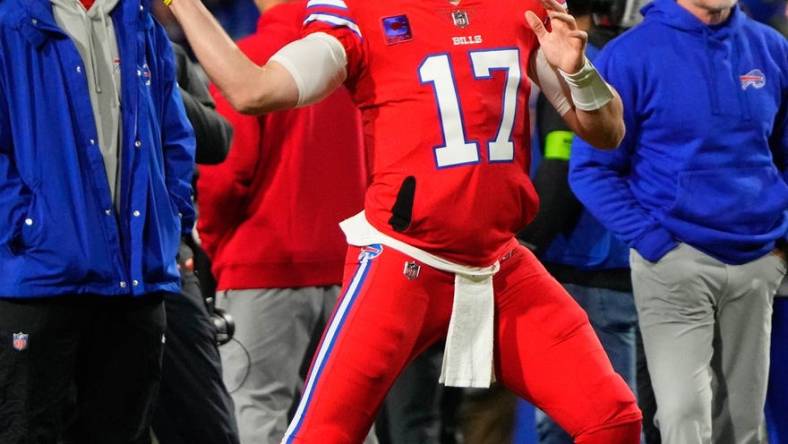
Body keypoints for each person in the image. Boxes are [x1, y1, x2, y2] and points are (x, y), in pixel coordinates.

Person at [168, 0, 644, 442]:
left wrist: (578, 72)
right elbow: (253, 91)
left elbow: (607, 131)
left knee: (614, 418)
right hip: (402, 264)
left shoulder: (521, 9)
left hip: (499, 265)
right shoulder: (363, 10)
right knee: (323, 434)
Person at [568, 0, 788, 441]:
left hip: (757, 260)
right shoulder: (629, 54)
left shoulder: (771, 47)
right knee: (682, 414)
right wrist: (653, 243)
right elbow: (590, 169)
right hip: (674, 262)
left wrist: (779, 247)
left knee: (743, 423)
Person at [0, 0, 195, 443]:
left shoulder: (140, 22)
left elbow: (175, 135)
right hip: (39, 279)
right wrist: (27, 227)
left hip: (134, 284)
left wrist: (168, 225)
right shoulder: (10, 20)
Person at [195, 1, 367, 442]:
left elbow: (224, 176)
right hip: (352, 269)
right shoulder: (355, 54)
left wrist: (215, 250)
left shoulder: (248, 56)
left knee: (253, 410)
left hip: (262, 271)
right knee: (345, 419)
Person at [518, 1, 642, 442]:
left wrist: (528, 242)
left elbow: (560, 168)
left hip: (584, 265)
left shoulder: (575, 66)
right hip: (632, 262)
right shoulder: (637, 53)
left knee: (577, 419)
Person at [151, 42, 241, 444]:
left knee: (207, 425)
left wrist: (149, 71)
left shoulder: (164, 53)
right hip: (72, 273)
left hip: (165, 264)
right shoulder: (38, 45)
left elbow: (218, 139)